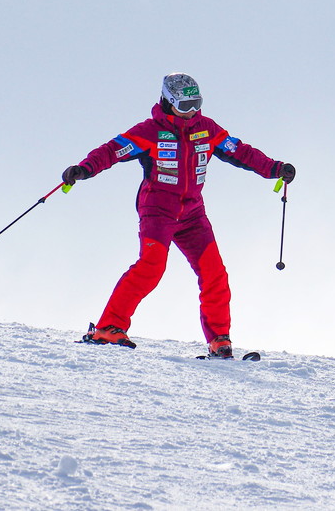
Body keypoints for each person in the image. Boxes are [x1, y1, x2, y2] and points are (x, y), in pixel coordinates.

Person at [62, 73, 296, 358]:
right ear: (168, 102)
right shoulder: (149, 131)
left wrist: (275, 168)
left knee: (215, 274)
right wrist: (84, 169)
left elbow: (241, 152)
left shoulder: (207, 129)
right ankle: (108, 328)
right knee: (151, 267)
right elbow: (112, 151)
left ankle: (219, 340)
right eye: (185, 106)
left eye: (197, 104)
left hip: (192, 214)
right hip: (158, 210)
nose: (192, 112)